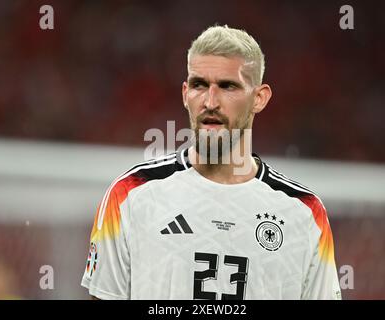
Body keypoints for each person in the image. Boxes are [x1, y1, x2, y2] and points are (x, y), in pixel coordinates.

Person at [81, 25, 341, 300]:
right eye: (199, 85)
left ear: (259, 98)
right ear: (185, 94)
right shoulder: (130, 195)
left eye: (228, 86)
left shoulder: (304, 213)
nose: (210, 101)